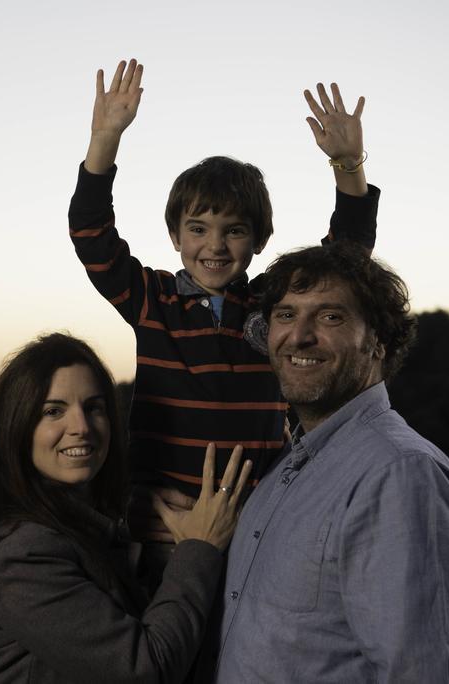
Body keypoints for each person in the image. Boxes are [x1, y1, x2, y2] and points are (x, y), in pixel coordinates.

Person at [68, 60, 381, 561]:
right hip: (161, 533)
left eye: (234, 230)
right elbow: (91, 232)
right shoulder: (152, 299)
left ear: (258, 240)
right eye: (197, 228)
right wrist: (105, 139)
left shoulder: (272, 307)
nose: (214, 245)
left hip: (258, 532)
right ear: (174, 235)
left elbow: (343, 262)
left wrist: (349, 167)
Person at [206, 243, 449, 682]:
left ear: (379, 342)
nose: (299, 336)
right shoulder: (282, 467)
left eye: (330, 316)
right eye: (286, 314)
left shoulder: (399, 473)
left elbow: (417, 672)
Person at [0, 333, 253, 683]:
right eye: (53, 411)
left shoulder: (87, 527)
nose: (81, 427)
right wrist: (201, 548)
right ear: (17, 427)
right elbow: (146, 668)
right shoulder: (21, 554)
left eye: (93, 407)